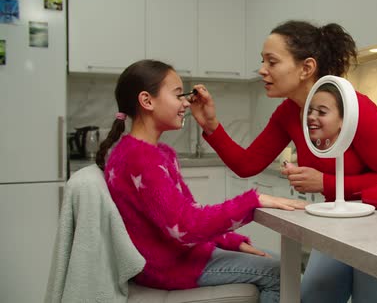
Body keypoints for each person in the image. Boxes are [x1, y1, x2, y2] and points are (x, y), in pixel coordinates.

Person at [190, 20, 377, 302]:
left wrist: (325, 182)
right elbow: (247, 165)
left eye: (272, 61)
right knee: (313, 296)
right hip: (336, 225)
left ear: (306, 68)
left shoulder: (355, 107)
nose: (262, 70)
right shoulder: (288, 112)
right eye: (262, 61)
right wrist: (211, 125)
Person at [95, 59, 307, 303]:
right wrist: (254, 201)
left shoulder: (155, 153)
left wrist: (232, 242)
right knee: (280, 273)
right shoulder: (140, 158)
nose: (185, 102)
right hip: (169, 267)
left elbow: (187, 217)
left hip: (180, 255)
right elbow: (185, 227)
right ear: (147, 101)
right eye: (178, 95)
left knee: (277, 261)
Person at [307, 83, 343, 150]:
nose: (310, 116)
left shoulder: (345, 159)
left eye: (322, 112)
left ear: (343, 120)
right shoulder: (306, 153)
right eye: (309, 111)